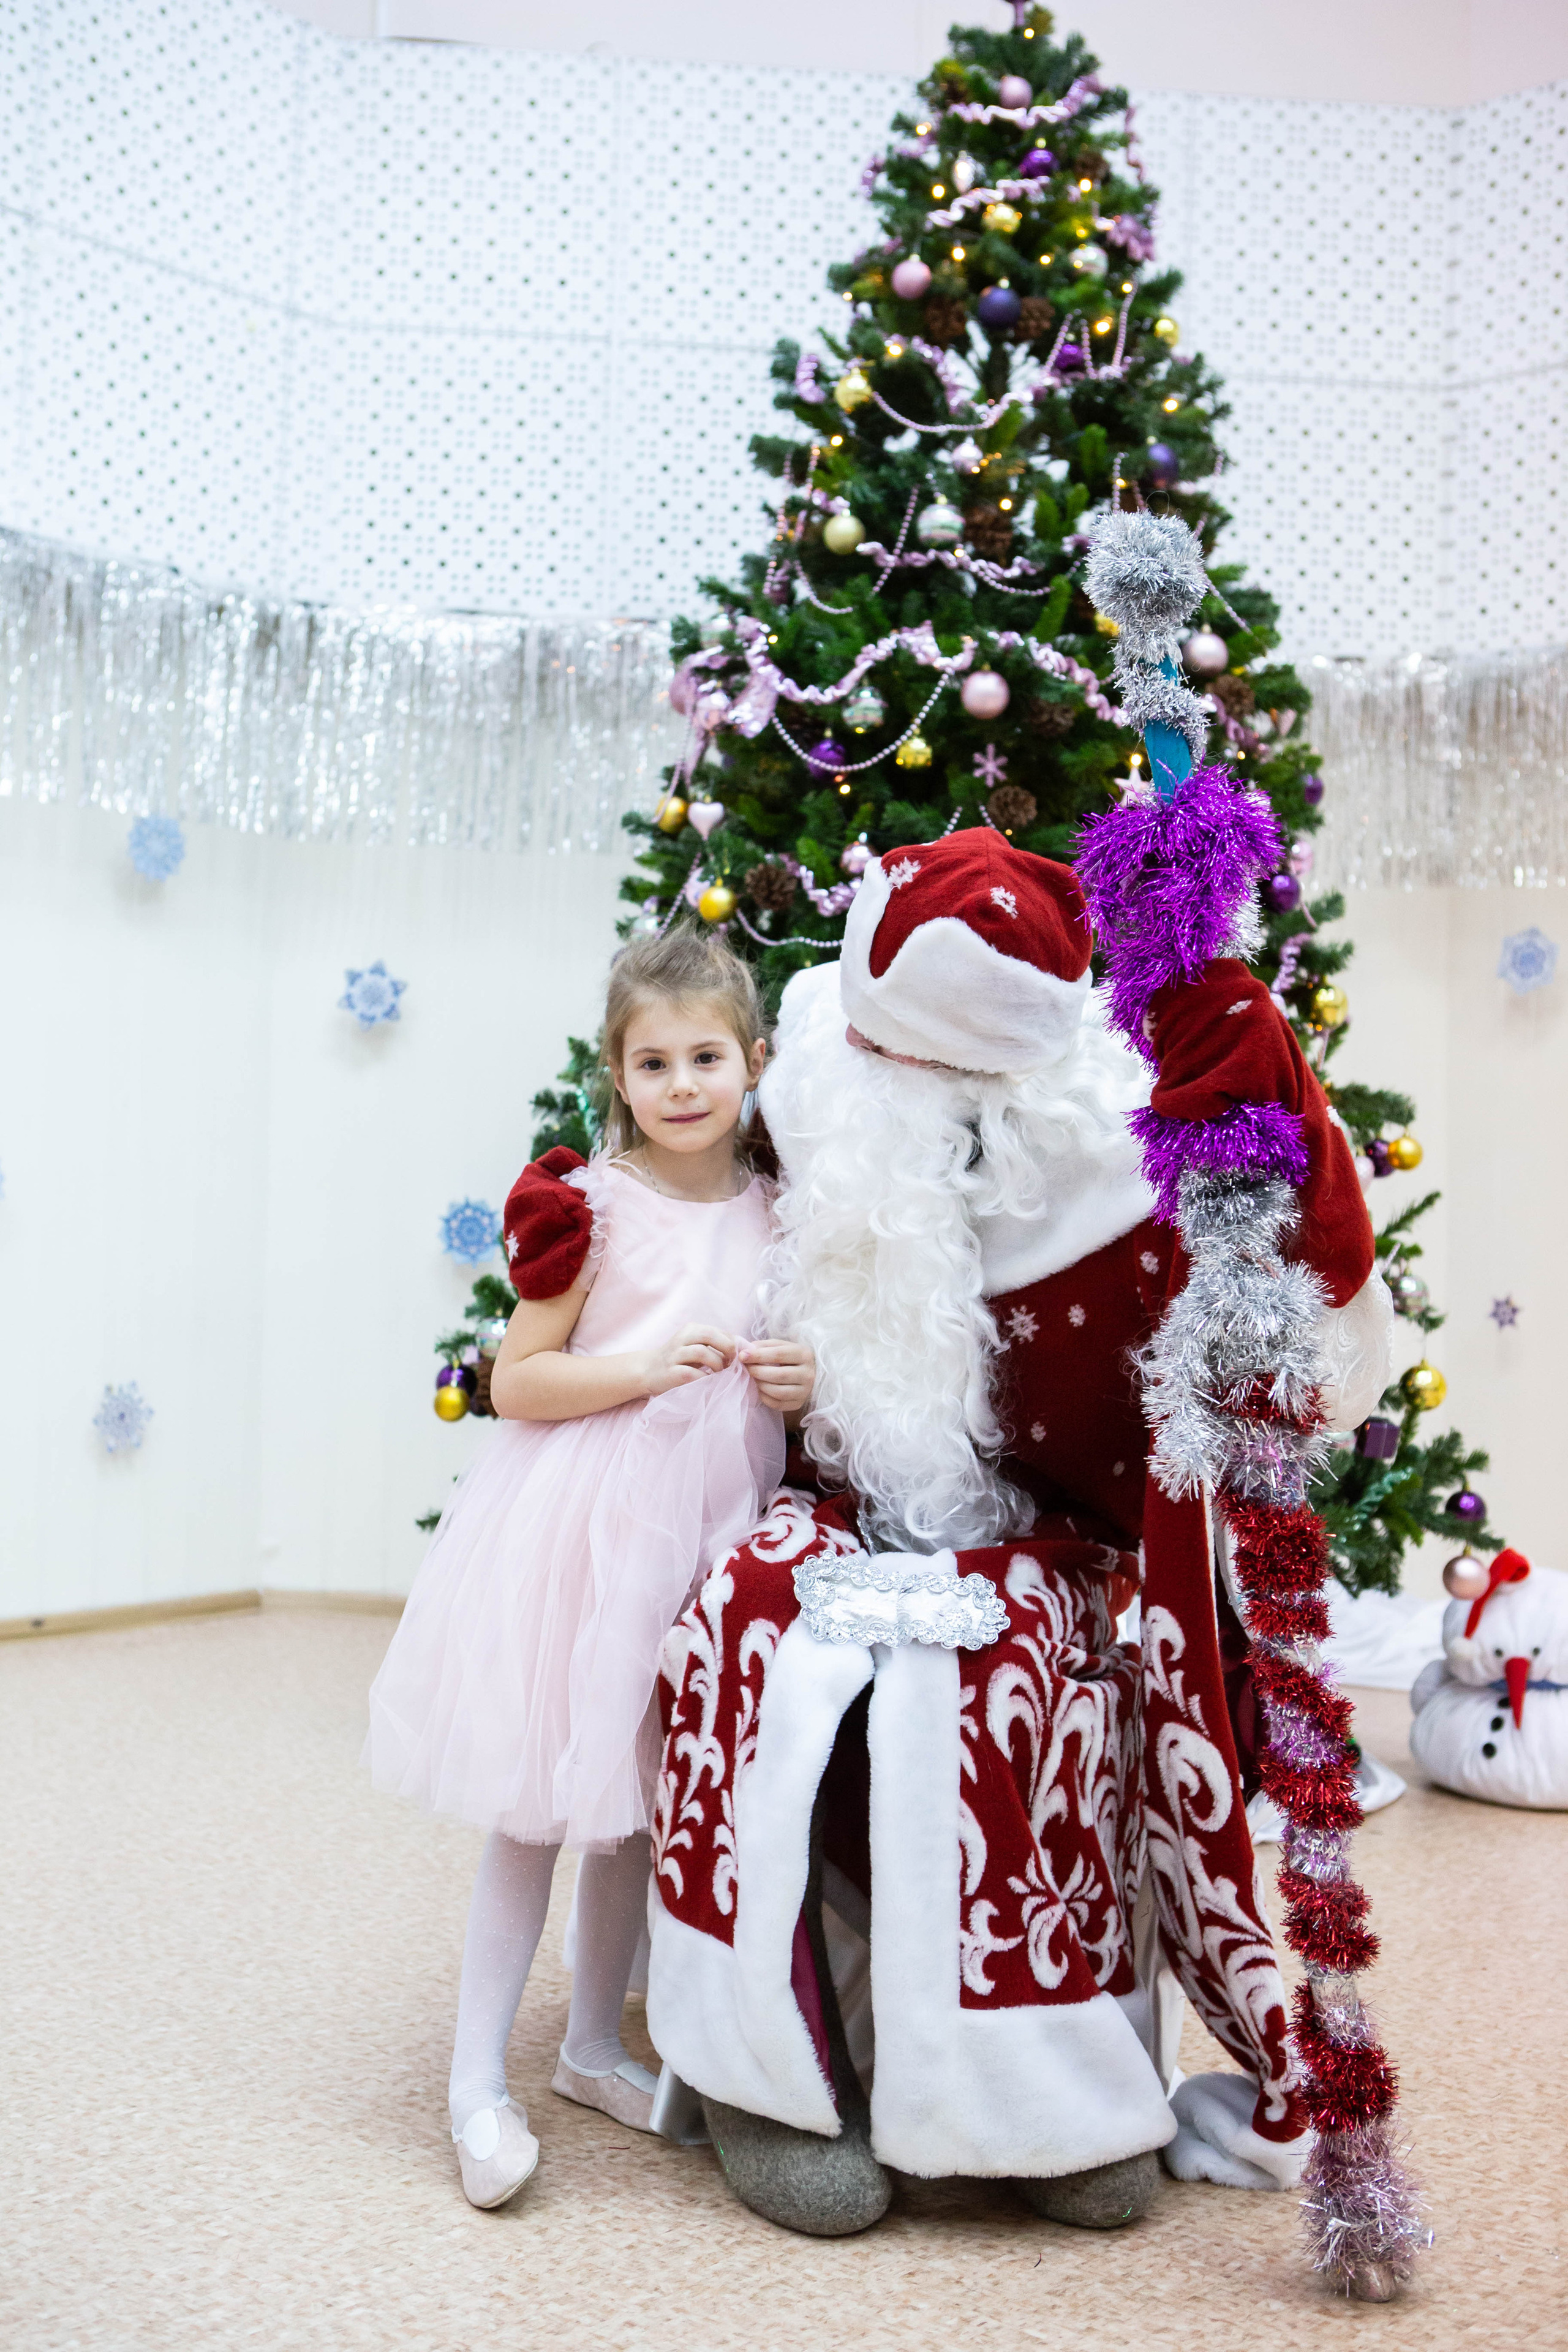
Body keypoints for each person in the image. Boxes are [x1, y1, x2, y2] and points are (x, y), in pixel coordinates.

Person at [366, 930, 813, 2211]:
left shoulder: (780, 1207)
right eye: (653, 1061)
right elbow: (516, 1380)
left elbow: (791, 1353)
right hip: (588, 1532)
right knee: (538, 1805)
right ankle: (473, 2086)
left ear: (753, 1063)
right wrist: (639, 1369)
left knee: (636, 1800)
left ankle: (589, 2048)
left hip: (714, 1539)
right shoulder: (591, 1206)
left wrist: (801, 1377)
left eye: (706, 1057)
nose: (682, 1083)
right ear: (618, 1077)